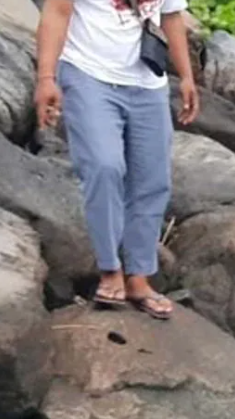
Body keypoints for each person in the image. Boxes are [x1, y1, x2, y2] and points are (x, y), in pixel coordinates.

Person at [34, 0, 199, 319]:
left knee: (152, 181)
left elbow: (171, 16)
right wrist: (46, 78)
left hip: (148, 84)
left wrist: (187, 77)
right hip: (87, 74)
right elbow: (57, 10)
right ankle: (110, 269)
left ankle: (138, 277)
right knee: (103, 166)